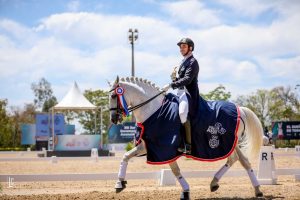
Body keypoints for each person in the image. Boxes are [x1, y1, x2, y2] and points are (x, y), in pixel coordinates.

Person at [162, 38, 200, 154]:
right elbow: (180, 79)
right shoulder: (182, 62)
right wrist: (174, 78)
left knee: (183, 114)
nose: (181, 49)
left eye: (183, 46)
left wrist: (171, 84)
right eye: (180, 47)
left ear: (190, 48)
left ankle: (188, 146)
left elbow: (188, 80)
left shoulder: (193, 62)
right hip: (179, 92)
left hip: (188, 94)